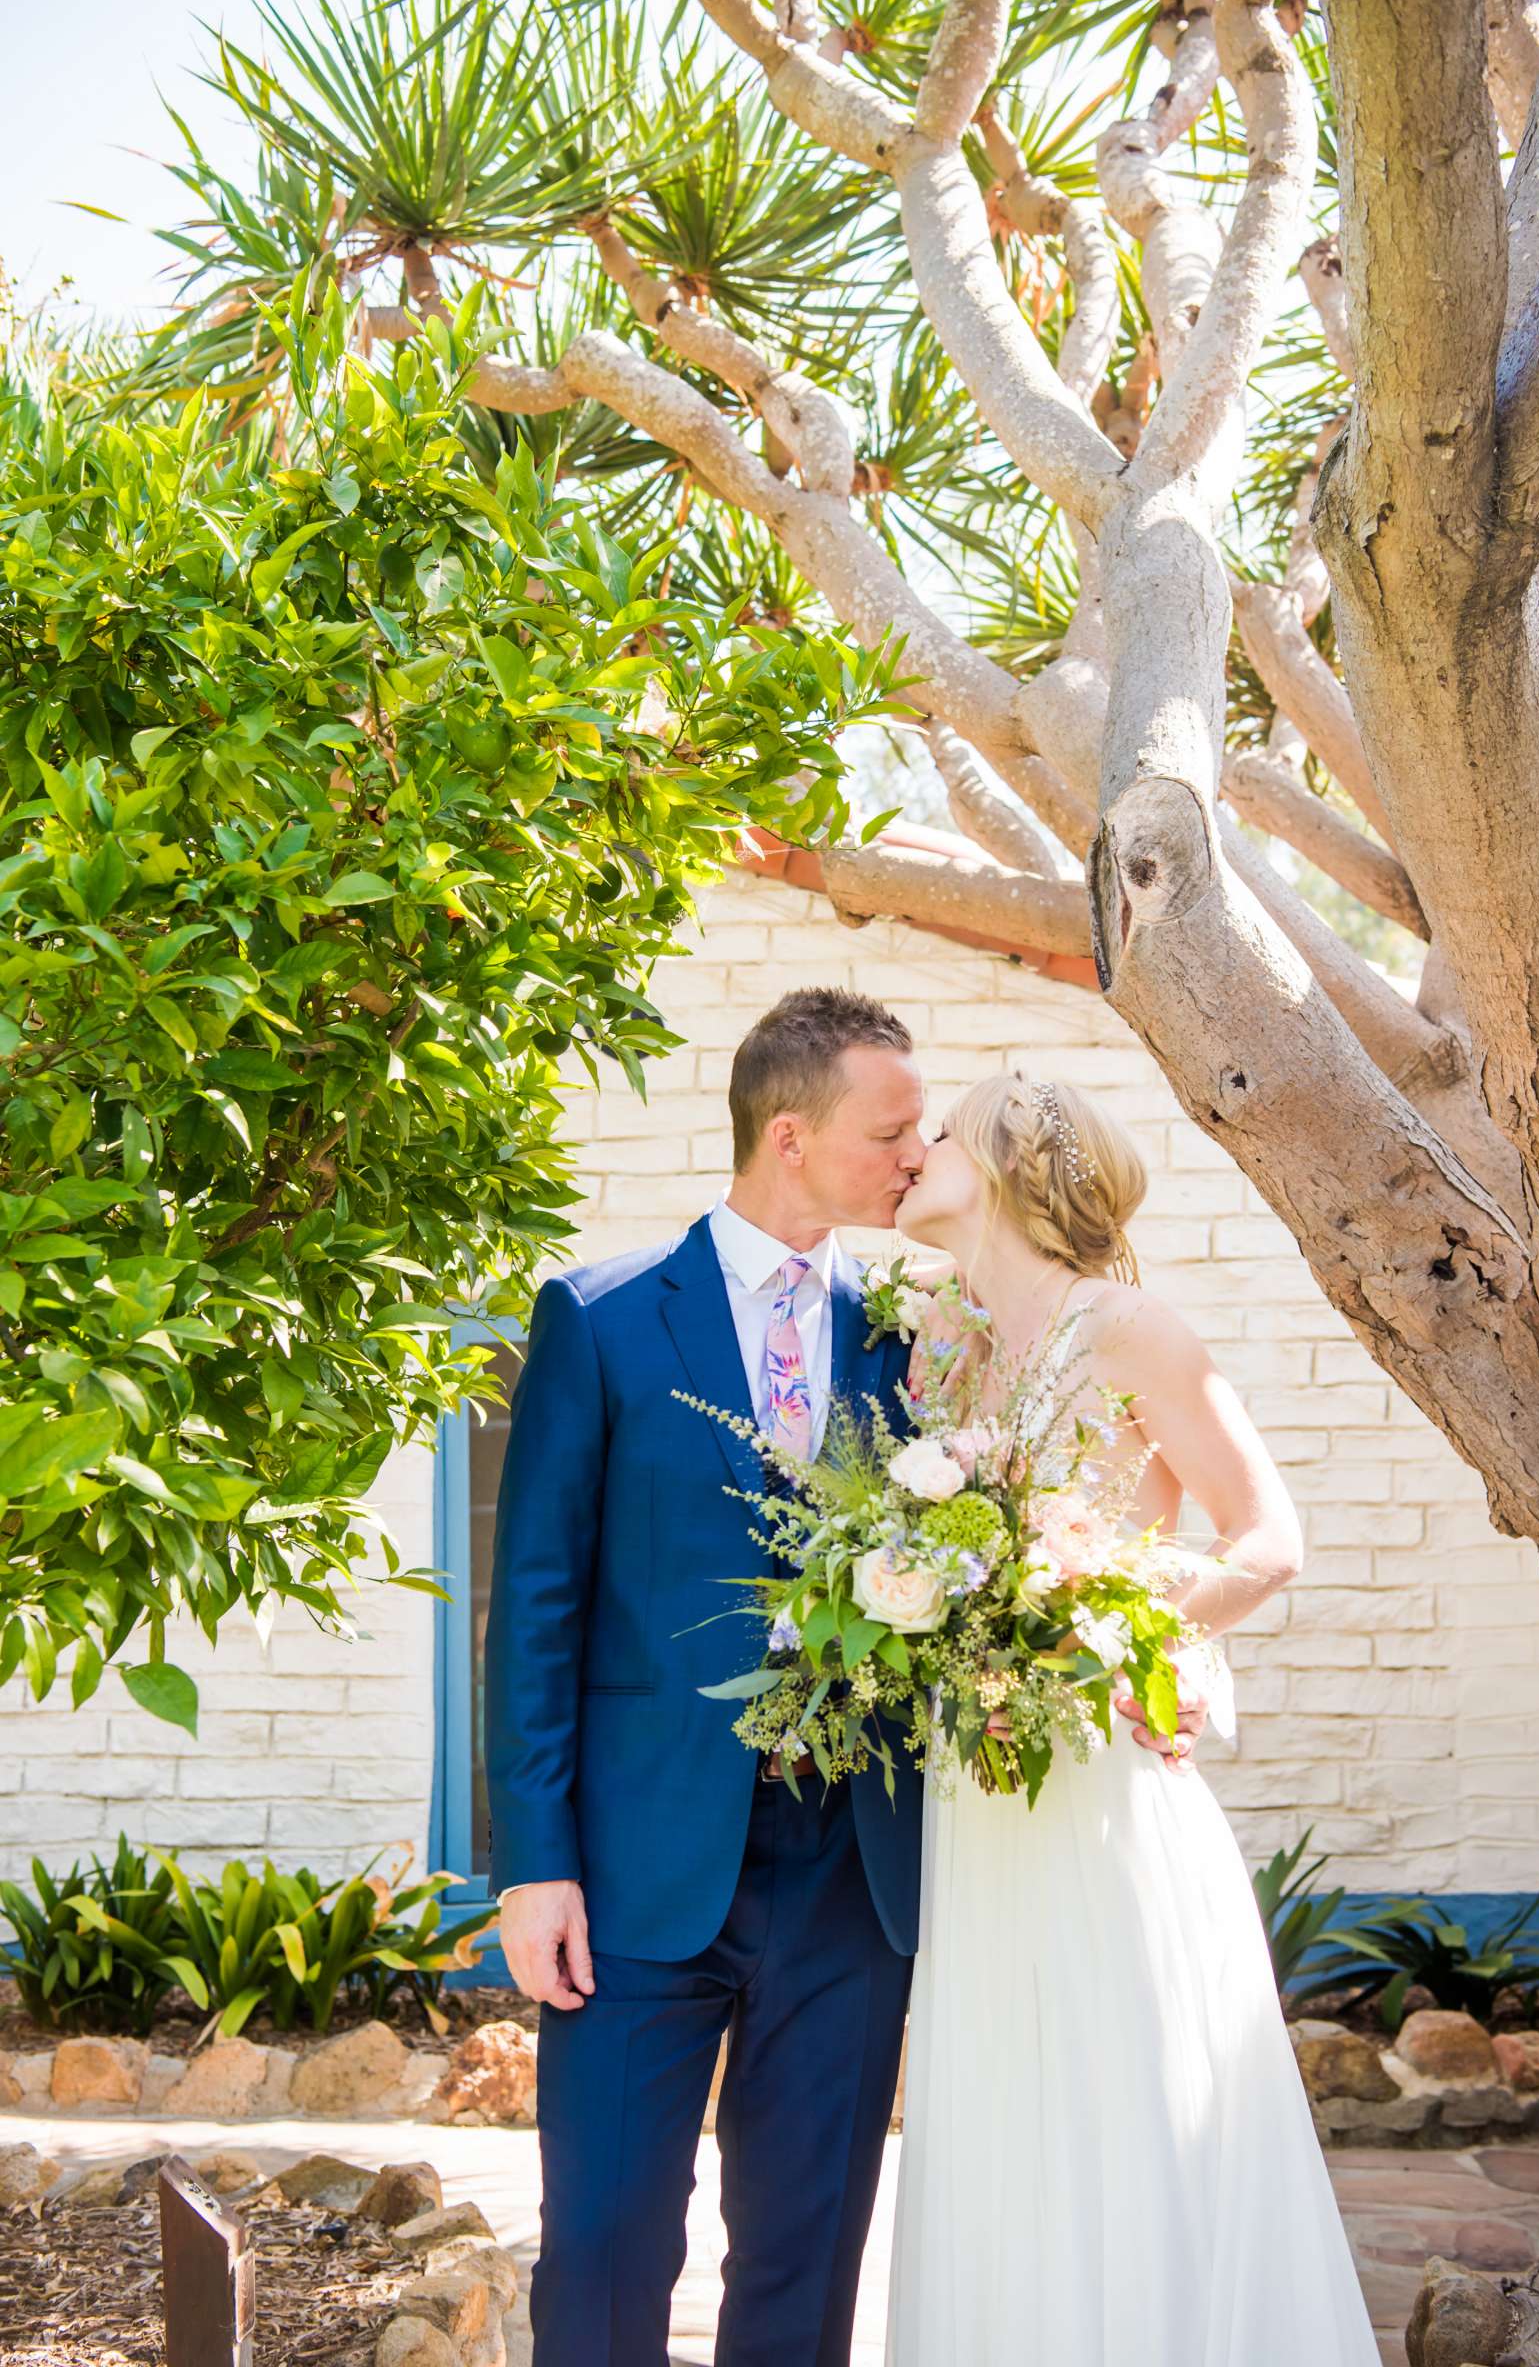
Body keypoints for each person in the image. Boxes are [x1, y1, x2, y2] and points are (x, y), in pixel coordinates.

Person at [885, 1069, 1381, 2365]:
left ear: (995, 1162)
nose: (909, 1151)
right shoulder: (940, 1342)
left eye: (932, 1134)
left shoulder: (1129, 1330)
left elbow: (1268, 1540)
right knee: (999, 2100)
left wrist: (1140, 1642)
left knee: (1118, 2089)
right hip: (970, 1778)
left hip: (1097, 1772)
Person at [483, 986, 929, 2366]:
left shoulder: (914, 1336)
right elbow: (536, 1611)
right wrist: (533, 1864)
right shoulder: (601, 1318)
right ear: (788, 1135)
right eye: (892, 1131)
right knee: (609, 2246)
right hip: (633, 1874)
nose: (917, 1157)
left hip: (849, 1873)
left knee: (806, 2258)